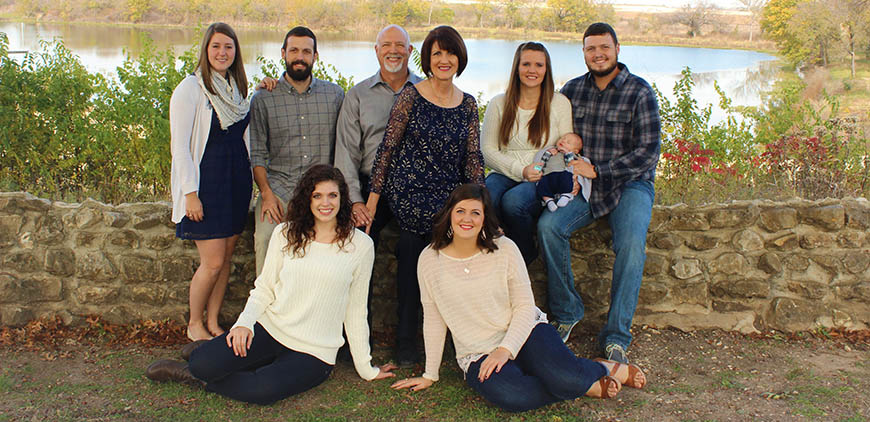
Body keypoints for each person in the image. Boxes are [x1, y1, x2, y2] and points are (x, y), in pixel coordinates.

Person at [145, 165, 397, 404]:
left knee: (262, 390)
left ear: (343, 198)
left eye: (332, 195)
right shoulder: (286, 234)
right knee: (203, 363)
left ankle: (190, 377)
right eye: (317, 195)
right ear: (307, 199)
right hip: (272, 328)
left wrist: (367, 368)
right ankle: (204, 358)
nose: (325, 203)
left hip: (315, 351)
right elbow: (264, 286)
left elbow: (356, 310)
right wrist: (244, 323)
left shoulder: (360, 246)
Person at [390, 184, 646, 412]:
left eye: (475, 212)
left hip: (525, 331)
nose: (466, 219)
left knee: (567, 378)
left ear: (484, 219)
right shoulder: (429, 259)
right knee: (516, 396)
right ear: (449, 215)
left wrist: (505, 350)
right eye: (460, 211)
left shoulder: (505, 249)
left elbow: (524, 306)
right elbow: (434, 317)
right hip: (477, 351)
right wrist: (430, 374)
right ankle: (575, 383)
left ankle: (599, 370)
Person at [539, 22, 661, 363]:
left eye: (604, 47)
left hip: (629, 184)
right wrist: (569, 169)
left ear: (617, 49)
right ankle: (567, 312)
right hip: (586, 185)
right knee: (548, 228)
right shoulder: (572, 91)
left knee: (632, 246)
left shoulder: (639, 91)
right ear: (584, 53)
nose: (598, 54)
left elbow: (648, 152)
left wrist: (601, 171)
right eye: (591, 48)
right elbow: (558, 138)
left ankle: (617, 336)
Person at [366, 25, 485, 367]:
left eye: (450, 53)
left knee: (435, 249)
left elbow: (473, 160)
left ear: (459, 58)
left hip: (447, 197)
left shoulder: (468, 105)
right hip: (408, 190)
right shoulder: (411, 95)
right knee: (416, 244)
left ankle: (459, 339)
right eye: (437, 54)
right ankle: (406, 342)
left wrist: (480, 208)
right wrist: (373, 201)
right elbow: (387, 149)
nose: (443, 60)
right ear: (428, 60)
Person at [169, 22, 253, 341]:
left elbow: (244, 134)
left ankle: (214, 322)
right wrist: (190, 194)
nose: (222, 52)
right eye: (216, 46)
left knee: (227, 258)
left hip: (236, 183)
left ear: (236, 52)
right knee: (213, 262)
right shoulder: (190, 89)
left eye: (228, 47)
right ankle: (194, 324)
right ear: (206, 49)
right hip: (207, 186)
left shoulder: (237, 88)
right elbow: (180, 147)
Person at [250, 26, 345, 276]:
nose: (299, 57)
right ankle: (265, 312)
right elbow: (257, 154)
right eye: (293, 50)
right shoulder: (263, 99)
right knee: (266, 240)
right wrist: (267, 195)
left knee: (327, 253)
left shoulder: (334, 95)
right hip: (278, 191)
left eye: (306, 51)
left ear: (315, 56)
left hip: (321, 194)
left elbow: (344, 147)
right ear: (283, 53)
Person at [481, 42, 574, 265]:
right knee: (486, 200)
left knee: (514, 203)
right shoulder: (499, 104)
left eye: (539, 65)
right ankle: (493, 256)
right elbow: (487, 151)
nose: (532, 70)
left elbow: (566, 147)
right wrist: (521, 170)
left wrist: (560, 174)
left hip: (544, 173)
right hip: (506, 170)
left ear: (546, 69)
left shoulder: (559, 103)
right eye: (526, 64)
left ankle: (522, 256)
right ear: (517, 67)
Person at [335, 24, 422, 251]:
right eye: (386, 45)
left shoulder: (426, 90)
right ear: (376, 50)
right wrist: (355, 200)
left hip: (416, 186)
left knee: (418, 243)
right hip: (369, 185)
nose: (393, 51)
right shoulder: (358, 95)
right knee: (356, 241)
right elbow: (346, 152)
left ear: (410, 50)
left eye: (399, 45)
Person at [533, 133, 591, 212]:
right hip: (548, 175)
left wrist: (567, 153)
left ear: (575, 151)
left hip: (562, 174)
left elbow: (571, 165)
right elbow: (541, 162)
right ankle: (548, 201)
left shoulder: (572, 156)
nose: (563, 141)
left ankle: (566, 195)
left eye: (568, 142)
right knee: (542, 184)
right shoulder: (550, 150)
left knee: (567, 178)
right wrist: (548, 153)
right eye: (562, 138)